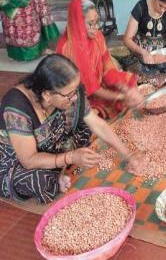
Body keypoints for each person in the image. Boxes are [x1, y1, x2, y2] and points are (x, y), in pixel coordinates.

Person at [0, 54, 146, 204]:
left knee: (85, 127)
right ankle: (56, 173)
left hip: (52, 143)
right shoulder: (16, 107)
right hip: (18, 160)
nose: (75, 98)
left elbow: (98, 125)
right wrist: (70, 157)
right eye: (69, 95)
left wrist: (129, 155)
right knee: (39, 180)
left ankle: (59, 164)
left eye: (75, 91)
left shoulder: (70, 92)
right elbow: (29, 160)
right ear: (47, 95)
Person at [57, 0, 143, 119]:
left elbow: (107, 65)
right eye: (91, 23)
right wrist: (122, 96)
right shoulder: (67, 48)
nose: (96, 27)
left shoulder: (97, 37)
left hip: (98, 83)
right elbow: (90, 87)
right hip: (78, 94)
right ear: (78, 23)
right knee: (88, 115)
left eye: (97, 21)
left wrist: (122, 86)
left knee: (126, 80)